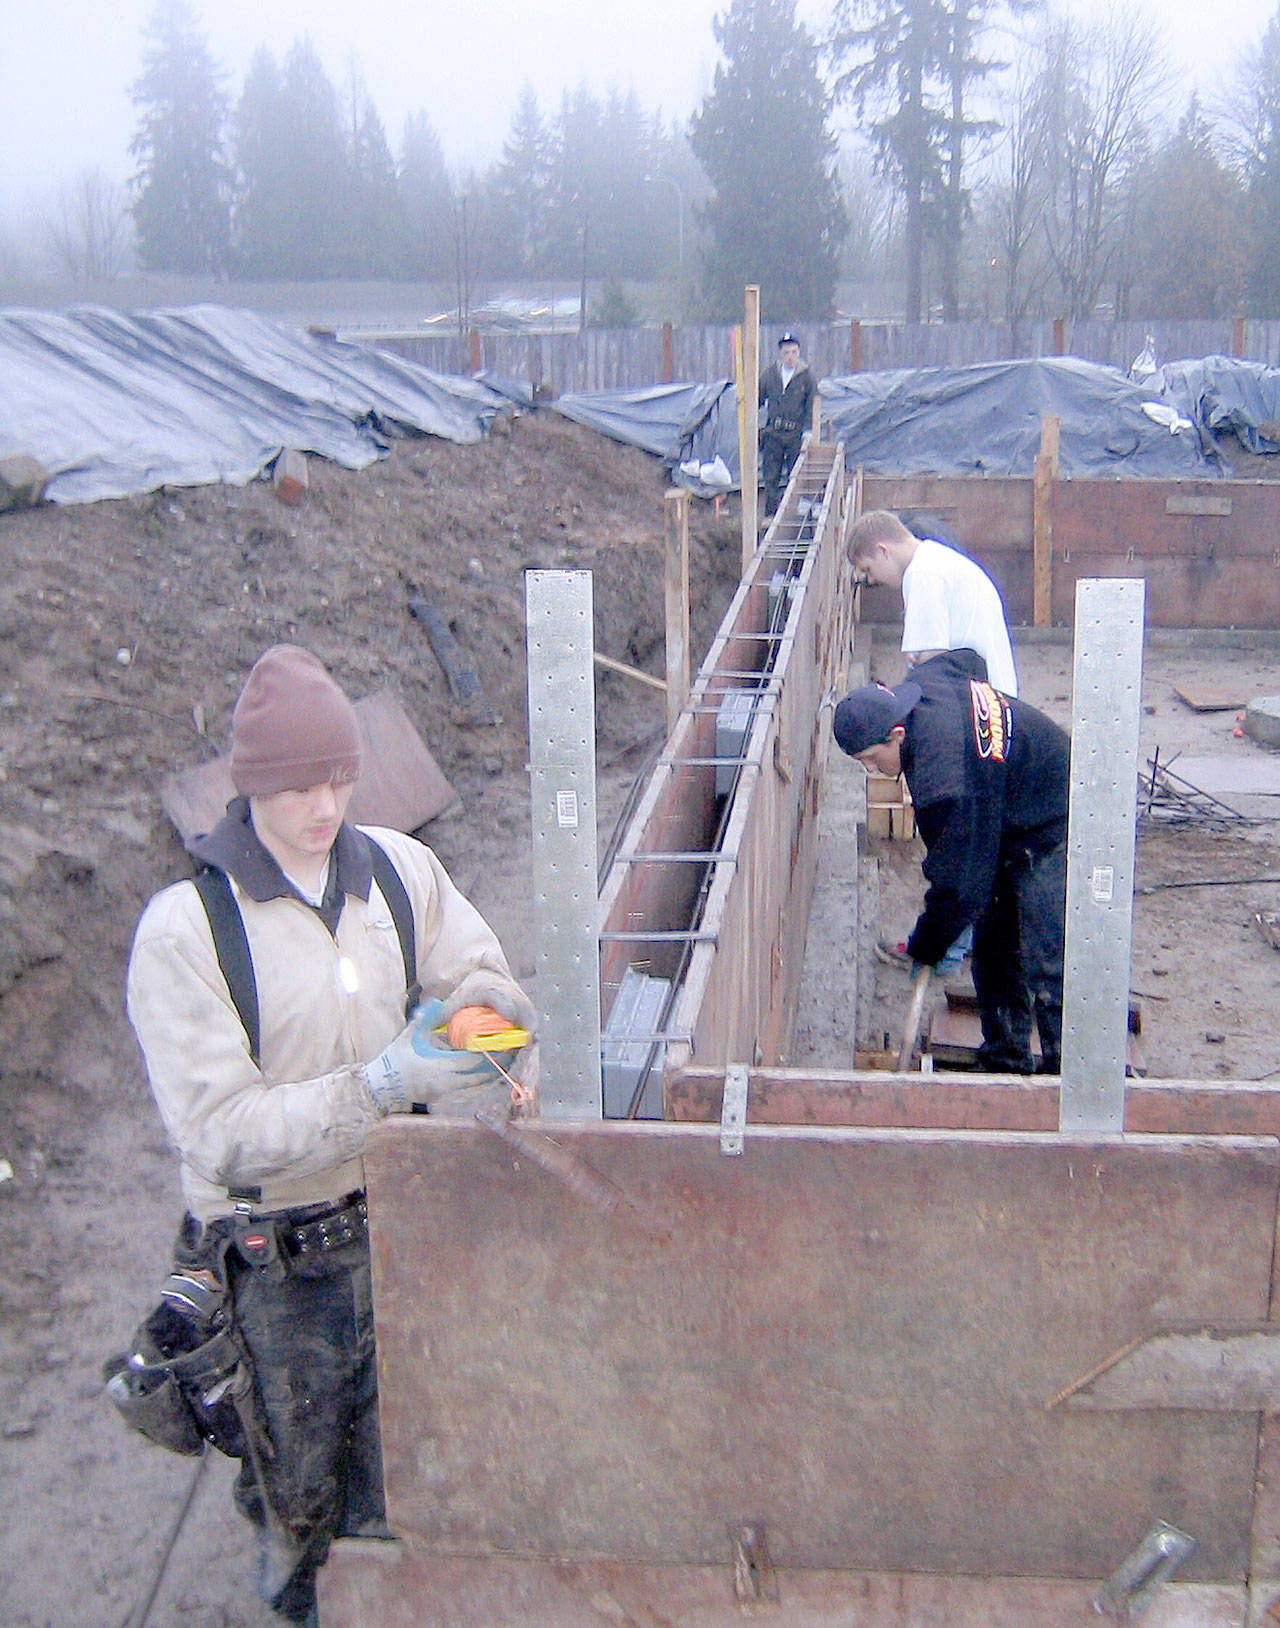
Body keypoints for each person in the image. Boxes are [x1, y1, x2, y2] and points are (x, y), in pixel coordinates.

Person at [125, 644, 536, 1625]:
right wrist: (384, 1082)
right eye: (301, 785)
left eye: (340, 779)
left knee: (407, 1460)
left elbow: (484, 973)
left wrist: (481, 1020)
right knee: (297, 1491)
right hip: (278, 1265)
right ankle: (302, 1595)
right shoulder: (187, 932)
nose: (324, 806)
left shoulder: (396, 870)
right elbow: (220, 1134)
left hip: (401, 1224)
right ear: (251, 783)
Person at [832, 650, 1069, 1074]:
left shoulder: (945, 781)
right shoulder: (926, 679)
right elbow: (971, 661)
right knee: (994, 944)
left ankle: (1066, 1081)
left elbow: (959, 889)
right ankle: (1006, 1059)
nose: (871, 771)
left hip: (1052, 809)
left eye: (871, 759)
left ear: (897, 733)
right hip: (999, 808)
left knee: (1045, 958)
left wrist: (927, 943)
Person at [848, 509, 1019, 695]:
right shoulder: (932, 559)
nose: (871, 579)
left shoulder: (923, 573)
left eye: (868, 569)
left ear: (883, 551)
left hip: (983, 705)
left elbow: (930, 659)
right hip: (986, 694)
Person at [758, 330, 817, 518]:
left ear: (798, 353)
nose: (790, 357)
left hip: (795, 435)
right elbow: (757, 399)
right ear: (780, 354)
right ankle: (771, 516)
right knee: (771, 477)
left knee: (795, 477)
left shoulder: (806, 376)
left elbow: (812, 405)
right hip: (773, 433)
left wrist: (808, 430)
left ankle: (792, 517)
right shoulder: (770, 374)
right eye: (786, 352)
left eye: (793, 352)